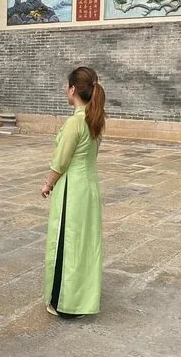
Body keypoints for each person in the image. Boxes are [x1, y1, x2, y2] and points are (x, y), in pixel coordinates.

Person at [40, 66, 106, 318]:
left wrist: (48, 184)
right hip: (89, 185)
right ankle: (82, 298)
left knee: (66, 242)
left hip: (73, 188)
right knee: (84, 243)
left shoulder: (75, 122)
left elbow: (61, 160)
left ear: (72, 90)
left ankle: (65, 302)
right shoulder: (95, 119)